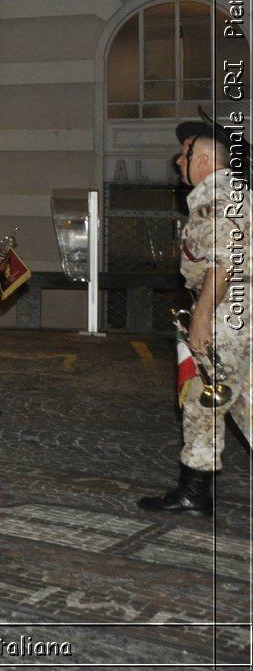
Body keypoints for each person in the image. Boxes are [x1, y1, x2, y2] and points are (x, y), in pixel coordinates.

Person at [140, 121, 246, 515]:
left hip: (225, 314)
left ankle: (193, 492)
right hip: (243, 313)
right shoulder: (237, 197)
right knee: (245, 403)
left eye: (185, 154)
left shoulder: (215, 204)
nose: (178, 161)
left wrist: (201, 319)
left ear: (202, 161)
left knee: (204, 402)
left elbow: (222, 265)